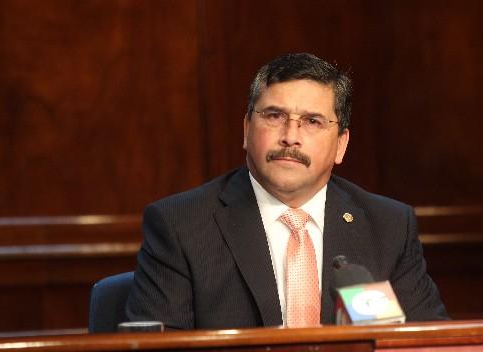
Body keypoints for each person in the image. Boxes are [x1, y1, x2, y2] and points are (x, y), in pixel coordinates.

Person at [126, 53, 448, 329]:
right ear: (246, 130)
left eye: (312, 121)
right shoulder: (181, 225)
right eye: (274, 116)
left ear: (341, 144)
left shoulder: (388, 226)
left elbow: (428, 344)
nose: (290, 136)